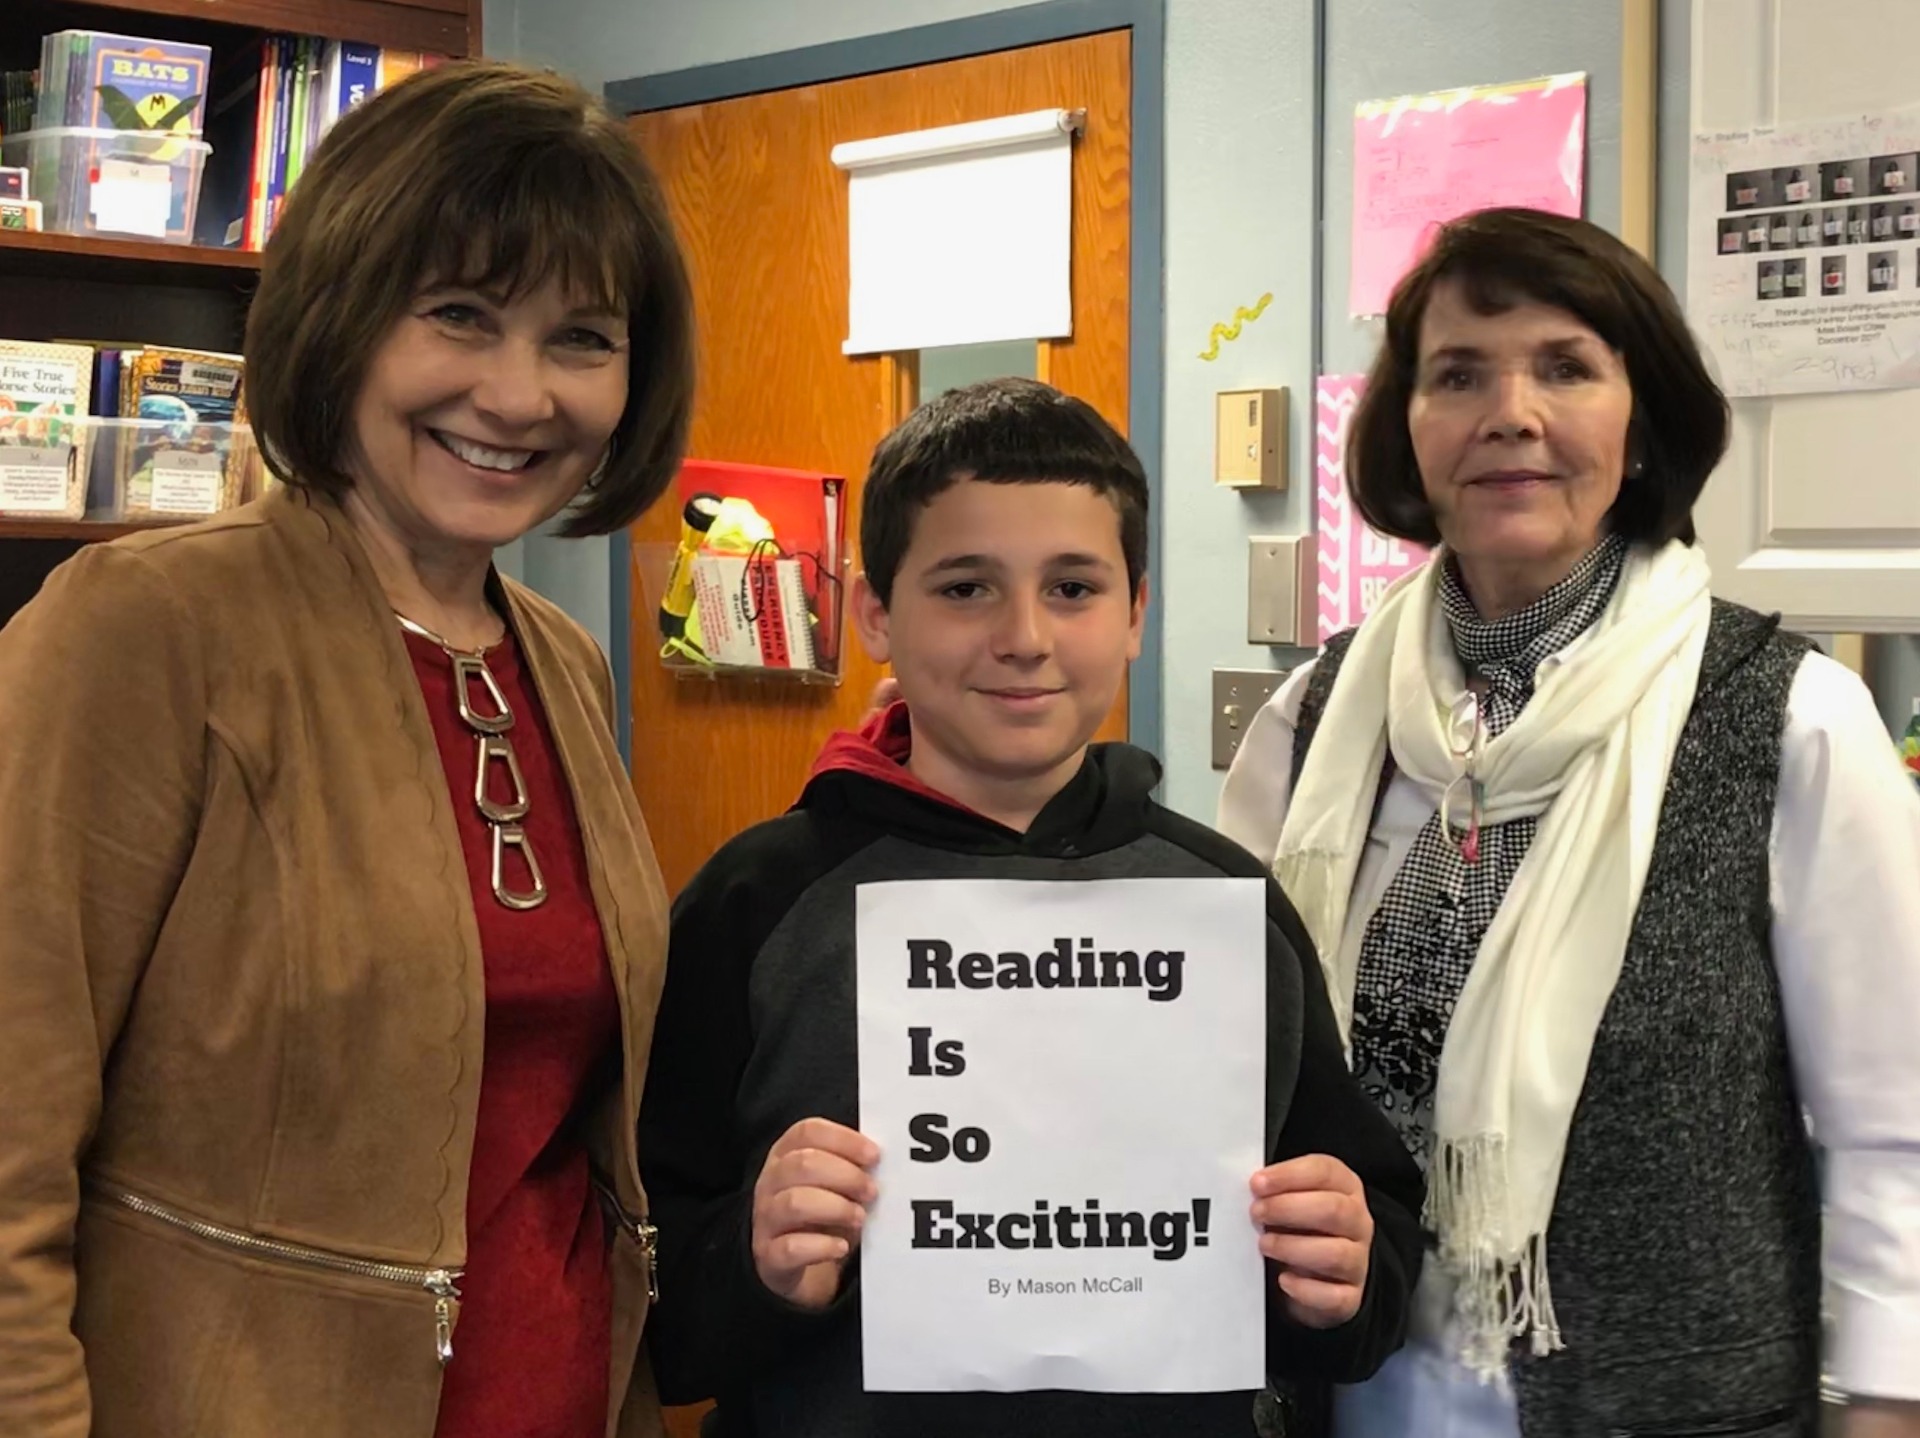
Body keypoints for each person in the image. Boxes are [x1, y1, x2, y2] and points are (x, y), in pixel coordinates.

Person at [0, 61, 694, 1438]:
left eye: (581, 337)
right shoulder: (147, 626)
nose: (519, 395)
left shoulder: (560, 659)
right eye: (460, 315)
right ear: (343, 312)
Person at [1218, 208, 1920, 1438]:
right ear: (1406, 426)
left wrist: (1886, 1407)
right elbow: (1231, 1070)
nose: (1511, 413)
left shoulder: (1790, 719)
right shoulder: (1315, 722)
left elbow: (1894, 1132)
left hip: (1669, 1405)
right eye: (1458, 375)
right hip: (1347, 1394)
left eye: (1565, 367)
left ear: (1640, 425)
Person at [637, 377, 1426, 1438]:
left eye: (1073, 588)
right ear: (875, 613)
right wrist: (753, 1261)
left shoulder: (1228, 905)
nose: (1024, 635)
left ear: (1136, 612)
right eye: (966, 587)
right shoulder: (756, 905)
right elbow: (648, 1300)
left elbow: (1369, 1253)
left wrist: (1344, 1275)